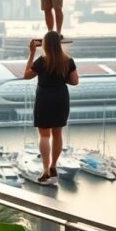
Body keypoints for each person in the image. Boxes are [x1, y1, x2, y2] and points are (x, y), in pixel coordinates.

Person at [25, 31, 79, 183]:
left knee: (44, 135)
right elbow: (75, 81)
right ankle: (54, 165)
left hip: (44, 98)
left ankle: (45, 169)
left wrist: (31, 54)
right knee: (57, 134)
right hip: (61, 97)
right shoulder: (68, 60)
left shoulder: (42, 61)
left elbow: (26, 75)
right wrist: (61, 78)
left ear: (45, 44)